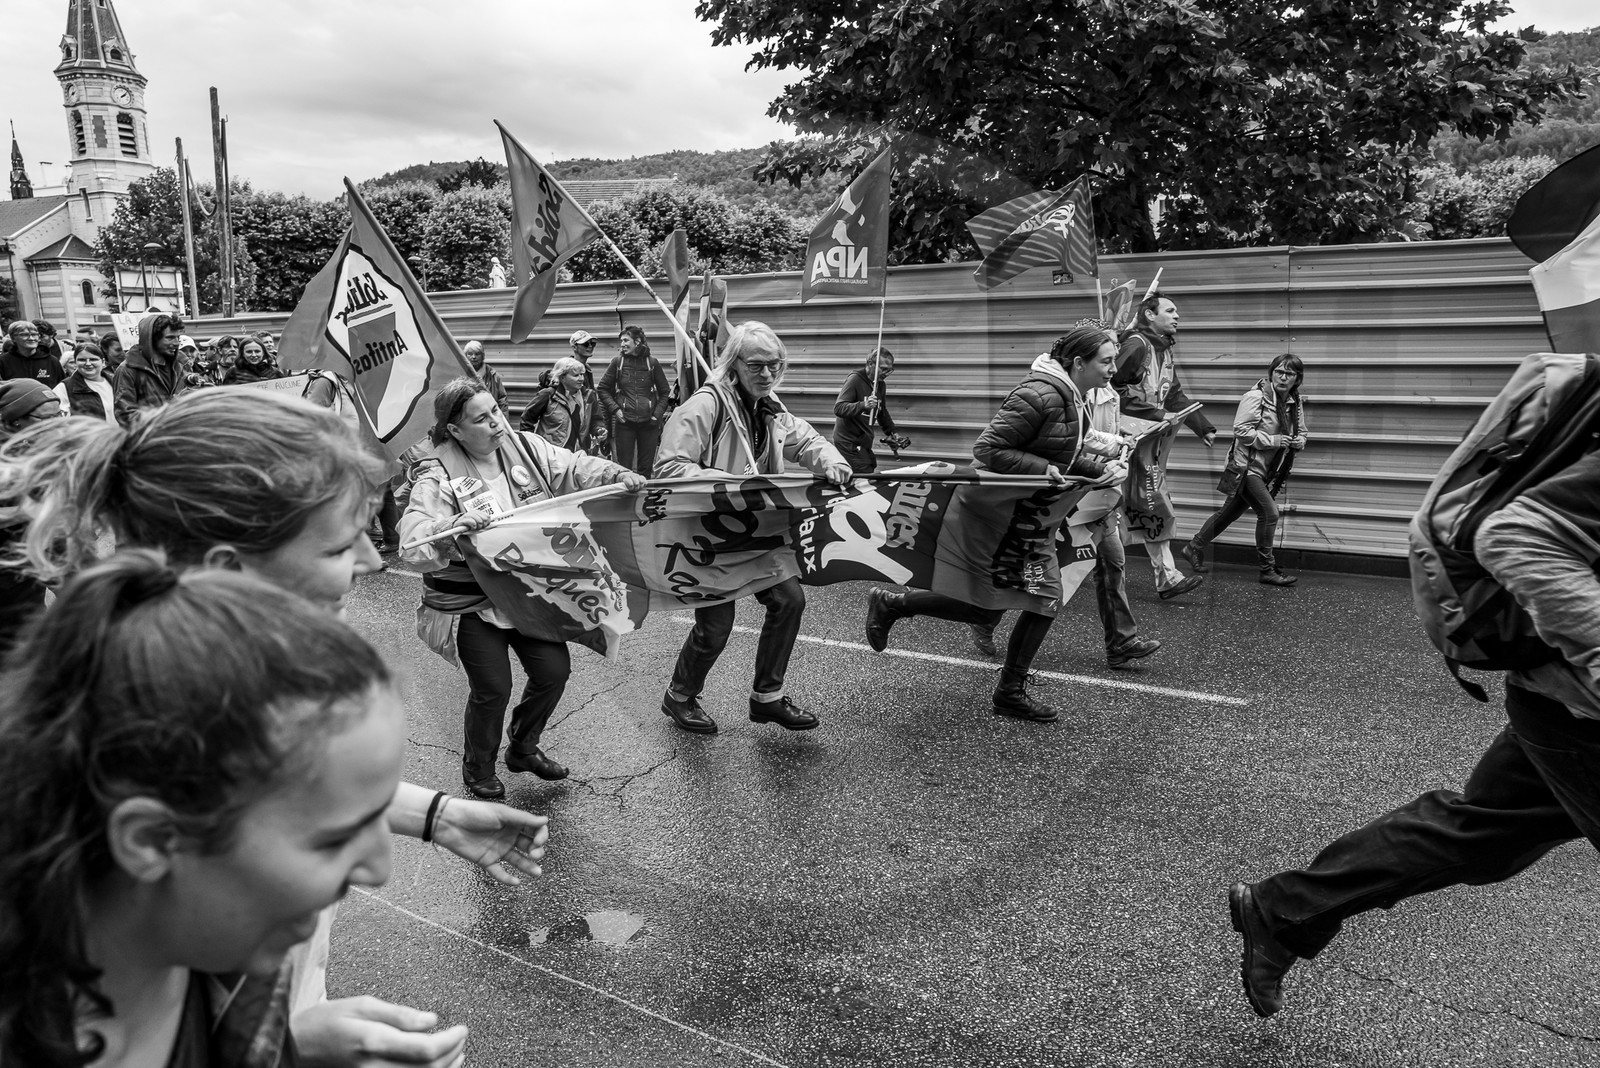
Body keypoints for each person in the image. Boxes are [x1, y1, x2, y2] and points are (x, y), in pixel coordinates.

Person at [0, 388, 549, 1066]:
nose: (375, 564)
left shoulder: (162, 705)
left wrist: (287, 1044)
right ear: (231, 572)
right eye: (342, 544)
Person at [1229, 441, 1600, 1018]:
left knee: (1478, 834)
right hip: (1580, 711)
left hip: (1563, 702)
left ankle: (1283, 910)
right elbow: (1517, 535)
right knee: (1477, 832)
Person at [0, 551, 404, 1068]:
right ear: (153, 840)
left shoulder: (232, 951)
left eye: (383, 811)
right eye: (333, 839)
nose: (382, 870)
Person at [864, 325, 1127, 723]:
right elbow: (988, 449)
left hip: (1026, 517)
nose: (1113, 369)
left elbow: (1062, 452)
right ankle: (1006, 688)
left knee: (1010, 604)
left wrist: (1100, 470)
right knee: (1026, 600)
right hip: (996, 515)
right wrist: (1047, 469)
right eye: (1106, 361)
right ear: (1079, 363)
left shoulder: (1076, 396)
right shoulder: (1038, 394)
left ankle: (899, 607)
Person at [401, 377, 645, 797]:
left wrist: (617, 473)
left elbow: (574, 466)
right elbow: (414, 534)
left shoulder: (527, 447)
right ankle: (478, 770)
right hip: (477, 603)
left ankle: (523, 747)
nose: (497, 422)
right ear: (455, 431)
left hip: (532, 595)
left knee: (554, 673)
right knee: (493, 688)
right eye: (482, 418)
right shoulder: (436, 471)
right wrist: (448, 527)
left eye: (496, 410)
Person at [654, 320, 853, 735]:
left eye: (776, 366)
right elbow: (669, 468)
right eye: (758, 365)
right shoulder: (705, 406)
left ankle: (767, 698)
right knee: (715, 628)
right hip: (707, 536)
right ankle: (679, 696)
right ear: (734, 364)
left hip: (757, 533)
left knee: (789, 601)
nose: (767, 374)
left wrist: (833, 461)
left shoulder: (771, 407)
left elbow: (807, 441)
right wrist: (728, 485)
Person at [1113, 292, 1215, 600]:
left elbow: (1174, 395)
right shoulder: (1136, 346)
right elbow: (1109, 387)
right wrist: (1157, 414)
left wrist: (1203, 427)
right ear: (1149, 315)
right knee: (1123, 504)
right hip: (1122, 442)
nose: (1177, 316)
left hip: (1144, 443)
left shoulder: (1163, 352)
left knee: (1147, 502)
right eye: (1170, 311)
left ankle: (1165, 576)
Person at [1183, 354, 1307, 587]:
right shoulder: (1256, 397)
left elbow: (1301, 431)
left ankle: (1194, 547)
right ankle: (1267, 569)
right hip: (1246, 467)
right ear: (1271, 373)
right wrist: (1275, 440)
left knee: (1230, 513)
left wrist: (1300, 441)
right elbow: (1241, 431)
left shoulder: (1293, 401)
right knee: (1269, 514)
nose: (1283, 377)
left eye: (1289, 374)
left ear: (1297, 379)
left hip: (1268, 469)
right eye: (1279, 371)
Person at [0, 380, 60, 656]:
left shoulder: (36, 450)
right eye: (45, 419)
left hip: (27, 575)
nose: (56, 425)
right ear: (13, 422)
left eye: (59, 415)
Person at [599, 324, 672, 476]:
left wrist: (656, 415)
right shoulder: (617, 362)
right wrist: (616, 410)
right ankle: (626, 498)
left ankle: (644, 499)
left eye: (626, 340)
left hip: (649, 424)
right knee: (624, 468)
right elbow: (603, 389)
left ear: (637, 341)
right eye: (621, 341)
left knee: (645, 468)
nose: (622, 344)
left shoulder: (652, 363)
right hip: (625, 423)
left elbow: (665, 392)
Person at [832, 347, 910, 474]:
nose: (886, 373)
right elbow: (839, 408)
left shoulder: (880, 384)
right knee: (864, 473)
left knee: (870, 465)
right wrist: (864, 405)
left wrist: (892, 433)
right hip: (848, 442)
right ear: (870, 364)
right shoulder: (855, 380)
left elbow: (882, 411)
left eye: (890, 370)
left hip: (863, 441)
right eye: (883, 369)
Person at [112, 312, 185, 427]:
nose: (176, 343)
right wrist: (164, 423)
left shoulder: (179, 366)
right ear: (152, 339)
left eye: (178, 337)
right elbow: (125, 415)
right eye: (170, 338)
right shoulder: (128, 370)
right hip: (147, 441)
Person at [520, 355, 603, 452]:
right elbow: (527, 419)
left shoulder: (589, 396)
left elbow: (596, 419)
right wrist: (532, 445)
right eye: (576, 375)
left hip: (579, 453)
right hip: (552, 454)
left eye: (582, 374)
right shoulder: (548, 395)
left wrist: (599, 430)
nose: (581, 379)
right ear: (562, 377)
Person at [53, 341, 116, 424]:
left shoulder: (116, 382)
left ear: (103, 362)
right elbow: (58, 421)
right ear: (75, 362)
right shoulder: (64, 388)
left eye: (93, 359)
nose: (88, 363)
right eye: (82, 360)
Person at [0, 319, 66, 388]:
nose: (31, 338)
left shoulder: (52, 361)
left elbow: (62, 388)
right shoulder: (3, 362)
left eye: (34, 334)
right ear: (13, 338)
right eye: (25, 335)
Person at [462, 339, 509, 411]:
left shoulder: (492, 375)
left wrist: (503, 420)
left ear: (482, 356)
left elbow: (502, 399)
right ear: (465, 356)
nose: (473, 357)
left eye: (477, 354)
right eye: (470, 354)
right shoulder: (461, 374)